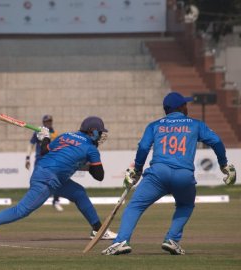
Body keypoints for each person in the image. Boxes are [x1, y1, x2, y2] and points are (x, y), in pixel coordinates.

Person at [102, 92, 237, 255]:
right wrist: (223, 164)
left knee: (135, 206)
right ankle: (172, 239)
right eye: (185, 104)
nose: (187, 107)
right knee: (185, 205)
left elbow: (144, 147)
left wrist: (137, 169)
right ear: (180, 107)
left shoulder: (155, 125)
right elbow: (216, 141)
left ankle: (121, 241)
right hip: (184, 175)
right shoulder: (195, 124)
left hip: (158, 174)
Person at [0, 116, 117, 242]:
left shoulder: (65, 136)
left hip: (48, 173)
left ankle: (98, 229)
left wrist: (45, 138)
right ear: (92, 131)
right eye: (100, 132)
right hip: (48, 179)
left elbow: (46, 151)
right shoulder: (91, 149)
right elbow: (99, 176)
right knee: (22, 210)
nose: (101, 136)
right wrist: (89, 165)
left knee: (78, 193)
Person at [25, 114, 64, 211]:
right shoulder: (39, 132)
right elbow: (31, 144)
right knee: (35, 181)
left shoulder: (55, 133)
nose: (49, 123)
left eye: (50, 121)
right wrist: (27, 158)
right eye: (47, 121)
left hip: (51, 160)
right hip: (40, 160)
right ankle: (30, 203)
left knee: (57, 180)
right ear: (43, 123)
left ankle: (56, 201)